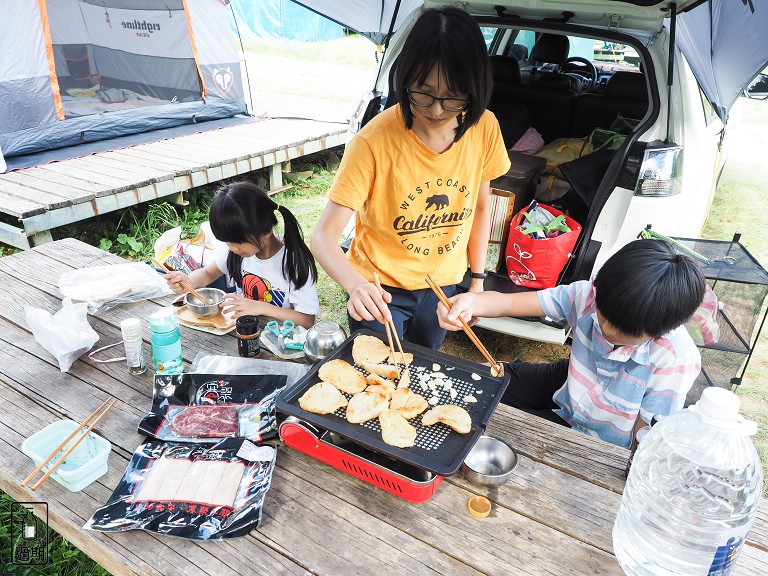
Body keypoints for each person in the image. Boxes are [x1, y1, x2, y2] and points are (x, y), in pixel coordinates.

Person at [311, 7, 511, 350]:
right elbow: (323, 237)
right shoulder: (373, 141)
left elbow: (480, 208)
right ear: (404, 80)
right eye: (423, 92)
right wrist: (355, 285)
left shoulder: (484, 128)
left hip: (443, 285)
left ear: (475, 88)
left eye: (452, 96)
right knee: (376, 377)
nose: (435, 110)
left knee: (422, 366)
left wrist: (476, 283)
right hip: (380, 290)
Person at [436, 239, 706, 448]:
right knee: (478, 378)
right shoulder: (588, 294)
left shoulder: (675, 359)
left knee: (508, 436)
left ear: (660, 331)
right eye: (603, 314)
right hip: (572, 382)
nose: (607, 328)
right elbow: (509, 302)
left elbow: (646, 438)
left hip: (603, 440)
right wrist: (471, 303)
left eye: (623, 330)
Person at [163, 182, 319, 329]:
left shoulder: (294, 262)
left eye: (237, 242)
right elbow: (207, 273)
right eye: (227, 242)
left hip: (283, 340)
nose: (232, 248)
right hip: (246, 331)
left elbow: (306, 320)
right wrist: (189, 281)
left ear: (265, 231)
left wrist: (260, 307)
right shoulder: (236, 253)